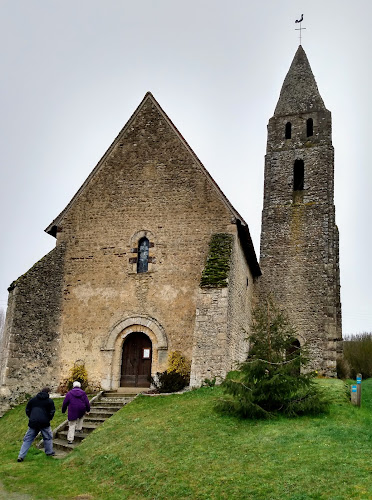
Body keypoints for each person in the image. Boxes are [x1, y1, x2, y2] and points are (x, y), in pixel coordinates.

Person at [17, 387, 55, 462]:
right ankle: (49, 452)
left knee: (27, 439)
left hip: (33, 422)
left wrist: (31, 417)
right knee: (47, 437)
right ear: (48, 393)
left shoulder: (33, 400)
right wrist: (48, 418)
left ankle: (21, 456)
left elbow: (27, 410)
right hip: (44, 422)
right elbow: (52, 412)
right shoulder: (49, 401)